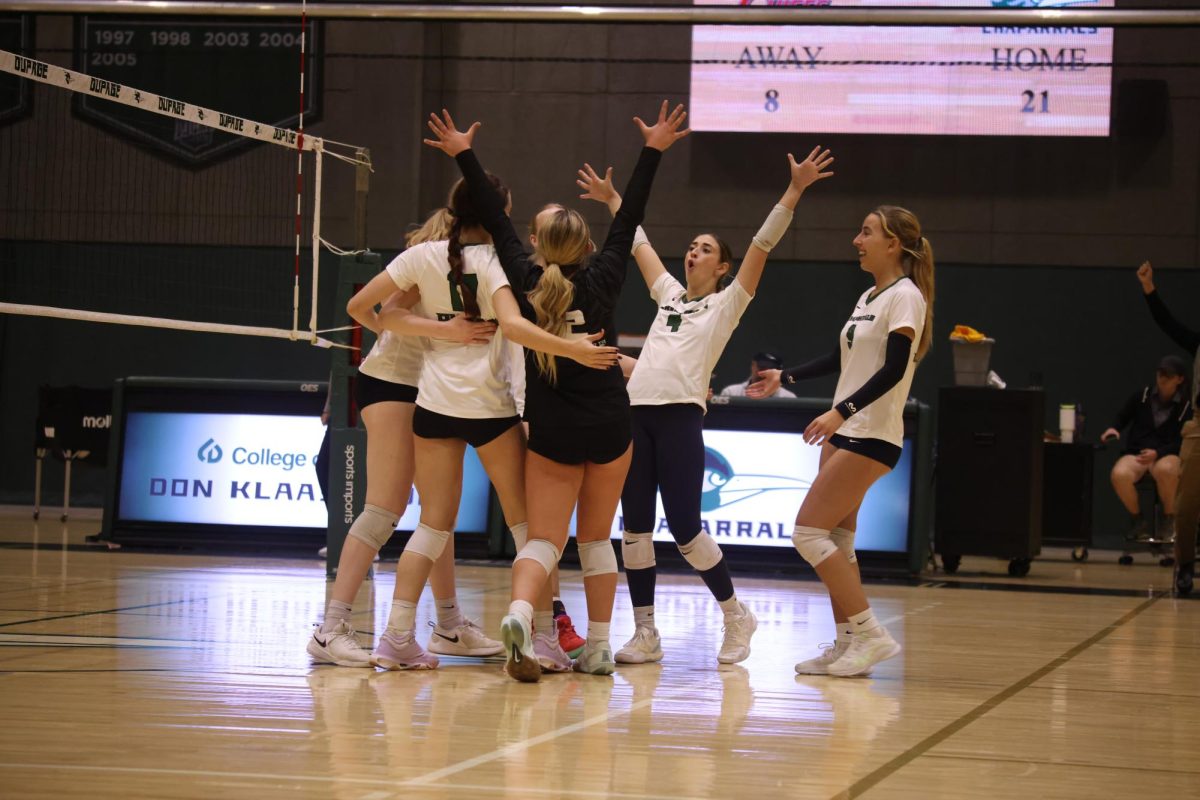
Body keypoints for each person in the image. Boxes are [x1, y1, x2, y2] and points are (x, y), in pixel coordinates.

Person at [424, 101, 688, 681]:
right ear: (588, 246)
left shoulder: (522, 275)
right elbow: (630, 217)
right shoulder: (605, 276)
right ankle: (596, 647)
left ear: (539, 245)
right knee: (596, 541)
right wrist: (653, 151)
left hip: (552, 426)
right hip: (609, 424)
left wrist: (463, 153)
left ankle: (521, 613)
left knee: (543, 538)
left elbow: (492, 217)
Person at [578, 145, 835, 666]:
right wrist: (612, 199)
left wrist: (795, 189)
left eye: (705, 249)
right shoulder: (669, 295)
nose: (692, 253)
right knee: (634, 528)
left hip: (679, 419)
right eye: (691, 246)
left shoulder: (727, 303)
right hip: (636, 416)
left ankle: (736, 613)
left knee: (688, 528)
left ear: (723, 268)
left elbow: (763, 244)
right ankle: (645, 632)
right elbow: (639, 242)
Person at [345, 177, 616, 670]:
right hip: (490, 411)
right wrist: (575, 349)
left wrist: (437, 331)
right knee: (529, 531)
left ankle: (396, 637)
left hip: (434, 405)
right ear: (502, 210)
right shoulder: (501, 266)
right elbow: (514, 328)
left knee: (431, 526)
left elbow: (364, 310)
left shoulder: (421, 256)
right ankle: (541, 638)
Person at [307, 208, 504, 667]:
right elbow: (366, 311)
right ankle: (329, 628)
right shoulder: (425, 265)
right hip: (393, 382)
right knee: (385, 508)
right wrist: (418, 335)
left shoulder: (469, 271)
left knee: (437, 513)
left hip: (431, 388)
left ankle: (450, 626)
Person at [752, 205, 934, 678]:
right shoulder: (869, 295)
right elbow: (842, 355)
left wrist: (840, 411)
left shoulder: (906, 297)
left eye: (866, 232)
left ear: (893, 244)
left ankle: (871, 633)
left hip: (870, 433)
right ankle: (849, 643)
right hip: (848, 432)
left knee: (807, 533)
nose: (857, 239)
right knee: (837, 539)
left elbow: (894, 370)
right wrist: (784, 375)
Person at [1137, 260, 1200, 595]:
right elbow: (1168, 324)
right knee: (1187, 503)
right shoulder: (1198, 344)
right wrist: (1149, 288)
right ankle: (1185, 564)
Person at [1101, 355, 1190, 543]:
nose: (1163, 378)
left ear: (1180, 379)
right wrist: (1114, 428)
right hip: (1138, 452)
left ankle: (1169, 519)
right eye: (1160, 373)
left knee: (1167, 470)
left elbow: (1183, 440)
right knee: (1119, 474)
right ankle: (1138, 519)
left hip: (1166, 452)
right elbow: (1123, 416)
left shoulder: (1186, 405)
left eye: (1169, 374)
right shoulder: (1142, 396)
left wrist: (1158, 453)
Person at [718, 352, 797, 399]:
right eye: (762, 366)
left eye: (771, 368)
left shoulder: (788, 397)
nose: (766, 371)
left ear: (778, 371)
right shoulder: (731, 392)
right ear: (753, 365)